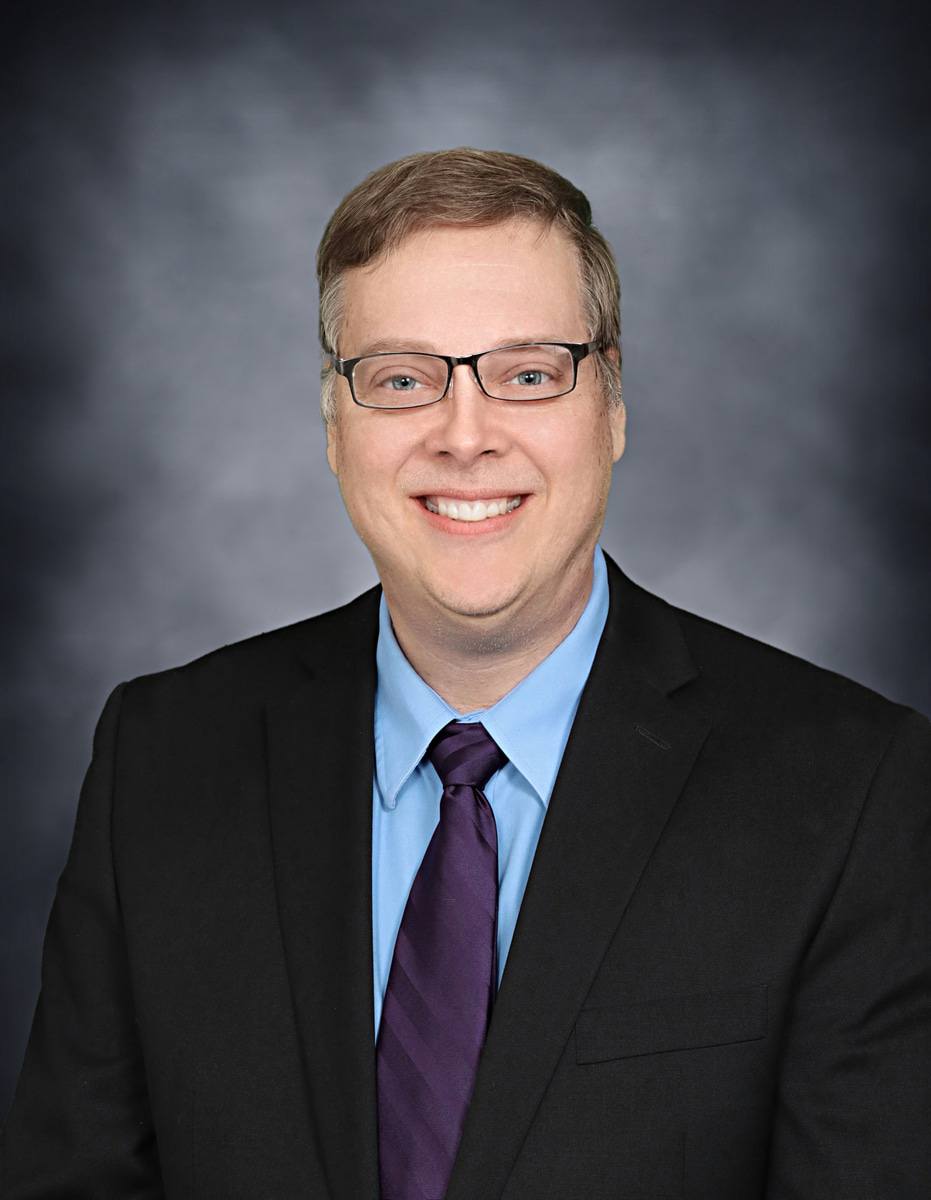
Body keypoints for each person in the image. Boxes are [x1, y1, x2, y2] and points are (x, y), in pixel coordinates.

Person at [2, 148, 929, 1200]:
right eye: (402, 379)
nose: (464, 435)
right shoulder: (161, 759)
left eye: (527, 374)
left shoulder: (849, 788)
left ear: (612, 404)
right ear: (334, 422)